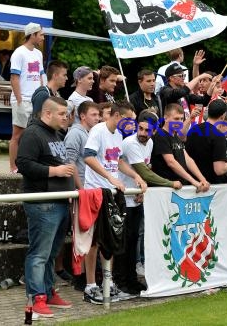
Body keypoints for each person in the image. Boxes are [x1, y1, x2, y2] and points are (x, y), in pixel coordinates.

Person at [82, 101, 147, 304]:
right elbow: (88, 157)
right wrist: (110, 178)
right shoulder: (99, 131)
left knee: (109, 240)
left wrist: (136, 176)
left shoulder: (118, 135)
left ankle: (108, 284)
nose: (132, 126)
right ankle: (90, 286)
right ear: (118, 116)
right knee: (93, 242)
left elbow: (117, 161)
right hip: (95, 192)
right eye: (130, 121)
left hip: (110, 193)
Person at [15, 97, 75, 318]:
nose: (66, 117)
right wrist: (55, 172)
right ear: (47, 113)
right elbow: (23, 163)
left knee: (51, 253)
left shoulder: (56, 134)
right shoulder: (33, 133)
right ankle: (36, 297)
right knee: (40, 253)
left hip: (59, 202)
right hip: (42, 203)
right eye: (61, 114)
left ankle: (48, 292)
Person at [115, 111, 181, 295]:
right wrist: (170, 183)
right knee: (125, 242)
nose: (142, 133)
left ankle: (131, 280)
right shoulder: (129, 143)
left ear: (154, 131)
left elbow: (146, 170)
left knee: (134, 240)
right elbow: (144, 172)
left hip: (136, 196)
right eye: (140, 128)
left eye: (147, 130)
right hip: (125, 197)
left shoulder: (150, 143)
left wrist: (143, 191)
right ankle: (121, 281)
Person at [9, 22, 46, 173]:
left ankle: (27, 164)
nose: (43, 38)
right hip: (23, 99)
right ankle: (13, 167)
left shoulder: (38, 54)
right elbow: (14, 78)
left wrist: (45, 94)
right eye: (41, 34)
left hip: (36, 99)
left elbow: (41, 75)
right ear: (33, 35)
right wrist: (19, 101)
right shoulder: (19, 52)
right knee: (17, 134)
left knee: (33, 133)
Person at [150, 103, 210, 192]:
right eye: (176, 119)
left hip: (180, 187)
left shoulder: (175, 137)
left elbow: (188, 160)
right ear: (166, 118)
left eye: (181, 119)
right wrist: (194, 181)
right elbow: (171, 162)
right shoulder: (160, 135)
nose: (179, 122)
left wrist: (202, 179)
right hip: (166, 189)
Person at [185, 99, 227, 183]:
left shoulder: (194, 129)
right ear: (223, 116)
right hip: (211, 186)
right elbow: (219, 170)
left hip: (193, 183)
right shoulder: (218, 135)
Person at [64, 101, 101, 188]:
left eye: (98, 115)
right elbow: (69, 162)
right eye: (93, 115)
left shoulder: (94, 133)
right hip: (82, 187)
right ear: (82, 116)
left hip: (94, 186)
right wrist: (81, 189)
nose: (97, 118)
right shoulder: (75, 133)